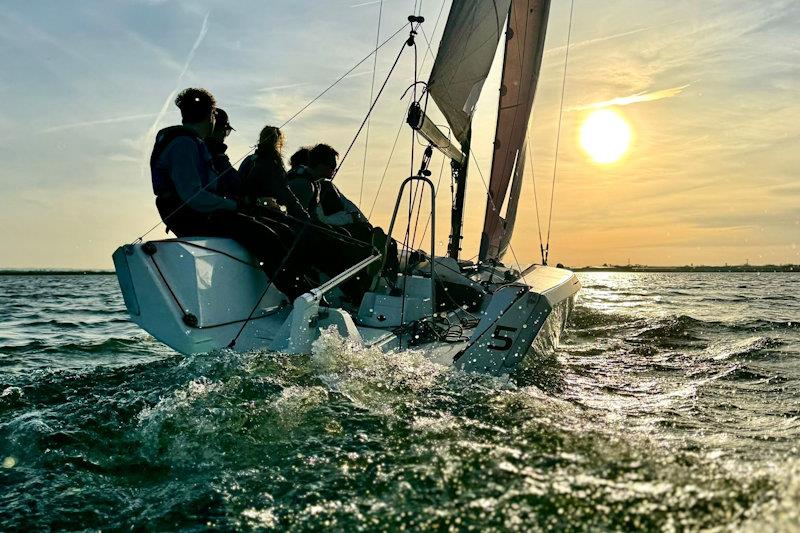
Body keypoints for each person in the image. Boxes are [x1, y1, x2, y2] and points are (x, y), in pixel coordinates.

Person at [149, 88, 314, 300]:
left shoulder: (192, 143)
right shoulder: (183, 144)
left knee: (282, 231)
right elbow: (195, 197)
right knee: (267, 238)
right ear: (210, 115)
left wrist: (249, 203)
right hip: (191, 216)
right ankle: (301, 297)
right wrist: (238, 206)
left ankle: (304, 291)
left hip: (202, 213)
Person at [238, 126, 310, 220]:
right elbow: (284, 193)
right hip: (263, 214)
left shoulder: (249, 160)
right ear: (278, 142)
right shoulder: (274, 165)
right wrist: (303, 215)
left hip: (243, 211)